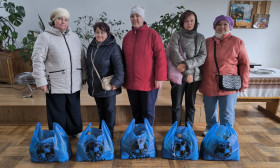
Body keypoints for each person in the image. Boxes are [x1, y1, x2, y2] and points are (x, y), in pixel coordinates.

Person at [32, 8, 86, 137]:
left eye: (66, 19)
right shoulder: (44, 37)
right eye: (60, 19)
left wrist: (84, 75)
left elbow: (82, 58)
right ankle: (59, 134)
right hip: (55, 82)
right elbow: (37, 59)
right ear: (53, 20)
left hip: (74, 80)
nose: (63, 22)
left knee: (74, 107)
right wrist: (41, 81)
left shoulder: (74, 37)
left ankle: (75, 130)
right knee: (57, 110)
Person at [199, 15, 250, 136]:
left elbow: (244, 64)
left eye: (225, 24)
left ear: (230, 26)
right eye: (219, 24)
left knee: (227, 112)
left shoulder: (238, 42)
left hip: (229, 83)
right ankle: (211, 129)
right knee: (209, 110)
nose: (222, 27)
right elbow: (200, 61)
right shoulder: (207, 42)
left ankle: (226, 132)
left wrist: (244, 83)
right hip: (209, 82)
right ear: (214, 26)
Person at [122, 5, 167, 126]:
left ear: (143, 17)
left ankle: (147, 138)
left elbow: (161, 57)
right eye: (132, 16)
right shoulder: (127, 37)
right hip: (131, 83)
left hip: (149, 83)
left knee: (148, 113)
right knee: (136, 112)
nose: (134, 18)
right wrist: (123, 79)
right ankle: (138, 136)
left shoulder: (153, 35)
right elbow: (123, 60)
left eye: (137, 16)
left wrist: (160, 77)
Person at [169, 10, 206, 127]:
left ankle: (189, 129)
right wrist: (187, 73)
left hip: (195, 78)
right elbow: (173, 53)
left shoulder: (200, 37)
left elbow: (202, 56)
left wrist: (187, 67)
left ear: (195, 22)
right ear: (182, 22)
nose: (189, 23)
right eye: (186, 21)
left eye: (192, 21)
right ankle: (175, 130)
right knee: (176, 106)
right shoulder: (176, 35)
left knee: (191, 105)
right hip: (179, 76)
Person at [86, 22, 124, 138]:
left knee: (109, 111)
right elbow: (88, 66)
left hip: (109, 86)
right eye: (97, 32)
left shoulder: (113, 47)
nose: (100, 35)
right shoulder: (91, 47)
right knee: (101, 111)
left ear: (107, 33)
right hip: (96, 86)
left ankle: (109, 136)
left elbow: (119, 67)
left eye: (102, 32)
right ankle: (102, 133)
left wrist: (116, 83)